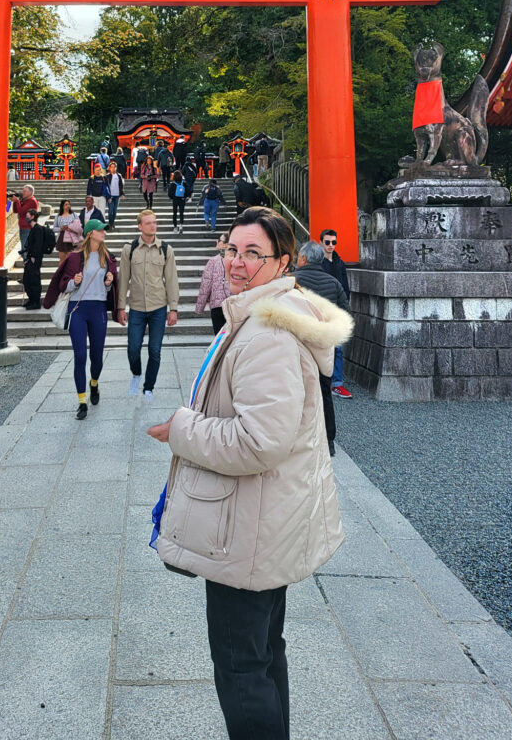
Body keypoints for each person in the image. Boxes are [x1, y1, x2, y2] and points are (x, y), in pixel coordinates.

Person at [147, 208, 351, 740]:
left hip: (248, 530)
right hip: (267, 518)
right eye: (231, 251)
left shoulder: (266, 334)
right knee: (263, 653)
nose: (236, 263)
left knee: (240, 667)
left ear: (282, 262)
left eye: (252, 253)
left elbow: (261, 440)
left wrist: (182, 429)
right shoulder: (269, 316)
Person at [43, 220, 119, 420]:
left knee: (97, 357)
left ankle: (94, 383)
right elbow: (62, 283)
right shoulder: (74, 258)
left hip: (98, 309)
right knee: (80, 356)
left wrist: (109, 283)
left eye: (104, 230)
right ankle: (82, 401)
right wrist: (72, 283)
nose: (103, 233)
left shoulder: (108, 258)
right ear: (89, 233)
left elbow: (112, 287)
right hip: (77, 308)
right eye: (100, 230)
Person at [294, 240, 351, 456]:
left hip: (296, 347)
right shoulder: (333, 283)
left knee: (296, 393)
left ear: (304, 259)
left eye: (299, 255)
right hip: (324, 348)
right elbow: (346, 314)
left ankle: (298, 440)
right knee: (324, 393)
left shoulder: (290, 282)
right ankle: (328, 441)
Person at [118, 210, 179, 402]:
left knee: (155, 350)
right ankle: (136, 374)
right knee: (133, 348)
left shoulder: (166, 249)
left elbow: (171, 280)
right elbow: (123, 280)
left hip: (158, 308)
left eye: (155, 222)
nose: (153, 226)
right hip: (136, 307)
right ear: (140, 226)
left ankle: (148, 387)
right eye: (148, 223)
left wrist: (173, 308)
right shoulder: (130, 249)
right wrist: (121, 307)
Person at [320, 228, 352, 398]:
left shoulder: (339, 263)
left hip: (337, 311)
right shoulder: (317, 264)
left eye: (334, 242)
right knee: (320, 347)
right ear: (321, 243)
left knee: (337, 349)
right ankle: (321, 382)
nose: (331, 245)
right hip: (321, 310)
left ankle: (337, 383)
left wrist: (345, 307)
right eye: (327, 242)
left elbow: (345, 287)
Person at [195, 233, 231, 333]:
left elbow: (205, 285)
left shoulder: (213, 261)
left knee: (219, 336)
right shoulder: (238, 260)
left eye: (219, 240)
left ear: (226, 244)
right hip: (234, 304)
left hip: (218, 306)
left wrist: (199, 307)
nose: (217, 242)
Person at [22, 209, 45, 309]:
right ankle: (31, 299)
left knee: (34, 280)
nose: (26, 218)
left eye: (27, 216)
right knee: (27, 280)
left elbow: (38, 245)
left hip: (35, 260)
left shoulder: (38, 229)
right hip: (30, 259)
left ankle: (36, 302)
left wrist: (33, 257)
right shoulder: (33, 229)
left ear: (32, 217)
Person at [11, 185, 39, 257]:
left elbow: (21, 212)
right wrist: (15, 201)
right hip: (23, 228)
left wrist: (17, 201)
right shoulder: (25, 201)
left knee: (25, 249)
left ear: (30, 192)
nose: (22, 192)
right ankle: (27, 265)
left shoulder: (32, 201)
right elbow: (15, 210)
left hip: (28, 229)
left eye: (24, 191)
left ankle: (28, 266)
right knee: (24, 249)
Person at [53, 199, 82, 266]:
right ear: (62, 206)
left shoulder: (74, 215)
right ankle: (60, 274)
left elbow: (79, 226)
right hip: (61, 238)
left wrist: (73, 228)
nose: (68, 206)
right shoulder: (58, 216)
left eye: (69, 204)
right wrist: (61, 228)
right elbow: (54, 228)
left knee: (71, 259)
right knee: (62, 260)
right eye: (66, 204)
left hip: (72, 239)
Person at [105, 160, 126, 229]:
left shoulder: (119, 176)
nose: (113, 168)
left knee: (115, 210)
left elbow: (121, 185)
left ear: (116, 168)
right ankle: (111, 223)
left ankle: (112, 222)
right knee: (110, 210)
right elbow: (106, 186)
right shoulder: (107, 176)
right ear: (109, 168)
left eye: (114, 167)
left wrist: (122, 194)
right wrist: (107, 195)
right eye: (112, 167)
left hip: (117, 195)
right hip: (110, 195)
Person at [168, 170, 187, 234]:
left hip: (175, 199)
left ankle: (175, 226)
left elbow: (169, 193)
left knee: (175, 213)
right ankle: (181, 225)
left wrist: (172, 197)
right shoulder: (184, 183)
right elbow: (188, 191)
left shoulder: (173, 184)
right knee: (181, 213)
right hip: (182, 199)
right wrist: (184, 196)